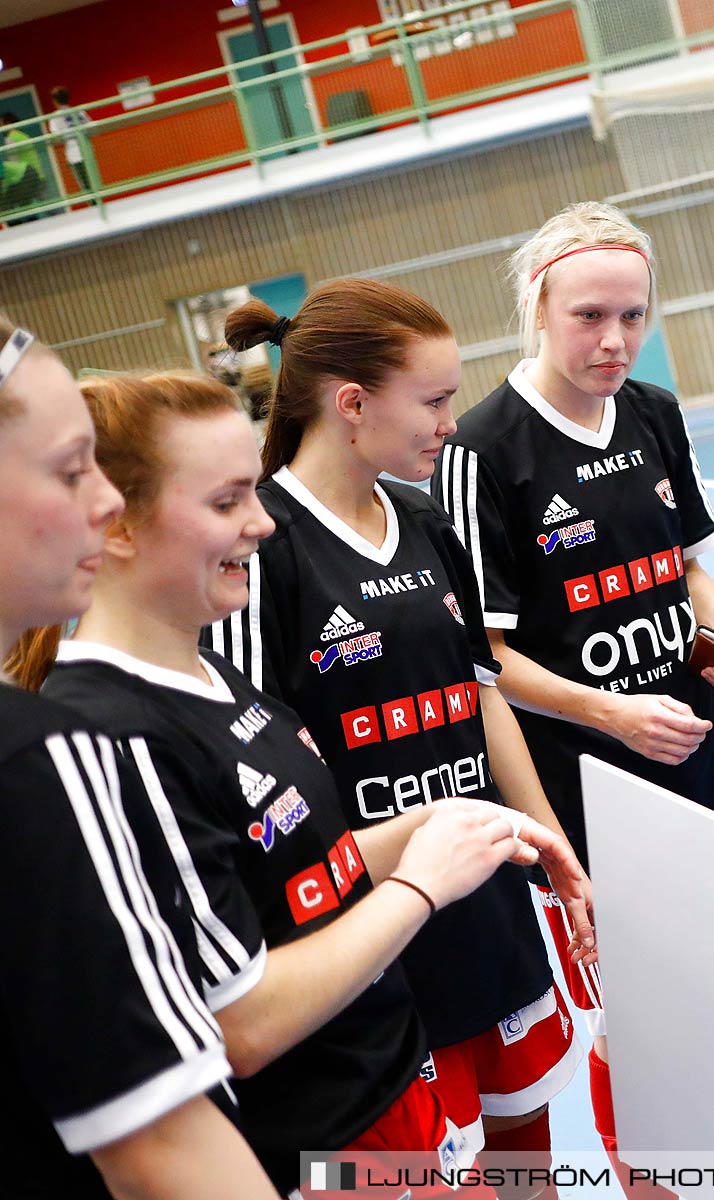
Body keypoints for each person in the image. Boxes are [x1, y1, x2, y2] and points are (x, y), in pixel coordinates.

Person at [26, 370, 591, 1198]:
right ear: (117, 527)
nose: (261, 523)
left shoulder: (216, 676)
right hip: (318, 1149)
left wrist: (451, 820)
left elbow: (302, 877)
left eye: (253, 493)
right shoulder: (112, 734)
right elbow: (239, 1023)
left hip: (398, 1099)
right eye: (226, 504)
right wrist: (421, 888)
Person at [211, 281, 589, 1200]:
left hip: (486, 905)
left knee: (524, 1160)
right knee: (422, 1177)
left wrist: (547, 844)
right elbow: (254, 768)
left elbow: (480, 694)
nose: (450, 424)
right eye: (432, 401)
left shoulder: (424, 522)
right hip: (374, 937)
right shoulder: (267, 548)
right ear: (352, 404)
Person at [433, 200, 714, 1175]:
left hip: (706, 758)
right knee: (641, 1025)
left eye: (633, 315)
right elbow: (484, 663)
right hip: (590, 795)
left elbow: (690, 566)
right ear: (540, 306)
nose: (616, 340)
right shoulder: (482, 452)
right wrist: (609, 711)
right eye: (589, 317)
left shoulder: (656, 413)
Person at [0, 322, 281, 1200]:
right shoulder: (38, 759)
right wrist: (418, 885)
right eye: (70, 468)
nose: (105, 502)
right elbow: (163, 1145)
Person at [47, 87, 94, 198]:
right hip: (88, 150)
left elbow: (56, 137)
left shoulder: (55, 118)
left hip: (74, 155)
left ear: (55, 100)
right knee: (93, 181)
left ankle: (94, 206)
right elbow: (91, 128)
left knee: (85, 187)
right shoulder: (80, 112)